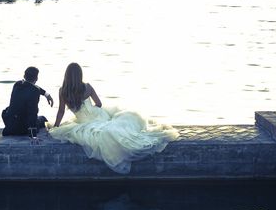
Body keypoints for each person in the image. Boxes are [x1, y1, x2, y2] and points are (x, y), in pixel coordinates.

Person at [49, 63, 179, 173]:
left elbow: (60, 111)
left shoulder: (63, 91)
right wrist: (92, 108)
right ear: (80, 74)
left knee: (102, 133)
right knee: (113, 127)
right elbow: (99, 104)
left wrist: (56, 126)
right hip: (100, 115)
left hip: (84, 121)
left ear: (66, 75)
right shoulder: (87, 87)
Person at [2, 66, 53, 136]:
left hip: (10, 126)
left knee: (6, 110)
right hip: (23, 128)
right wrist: (33, 135)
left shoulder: (17, 84)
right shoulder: (35, 91)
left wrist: (46, 94)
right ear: (36, 78)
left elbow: (33, 86)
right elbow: (32, 113)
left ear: (24, 76)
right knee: (43, 119)